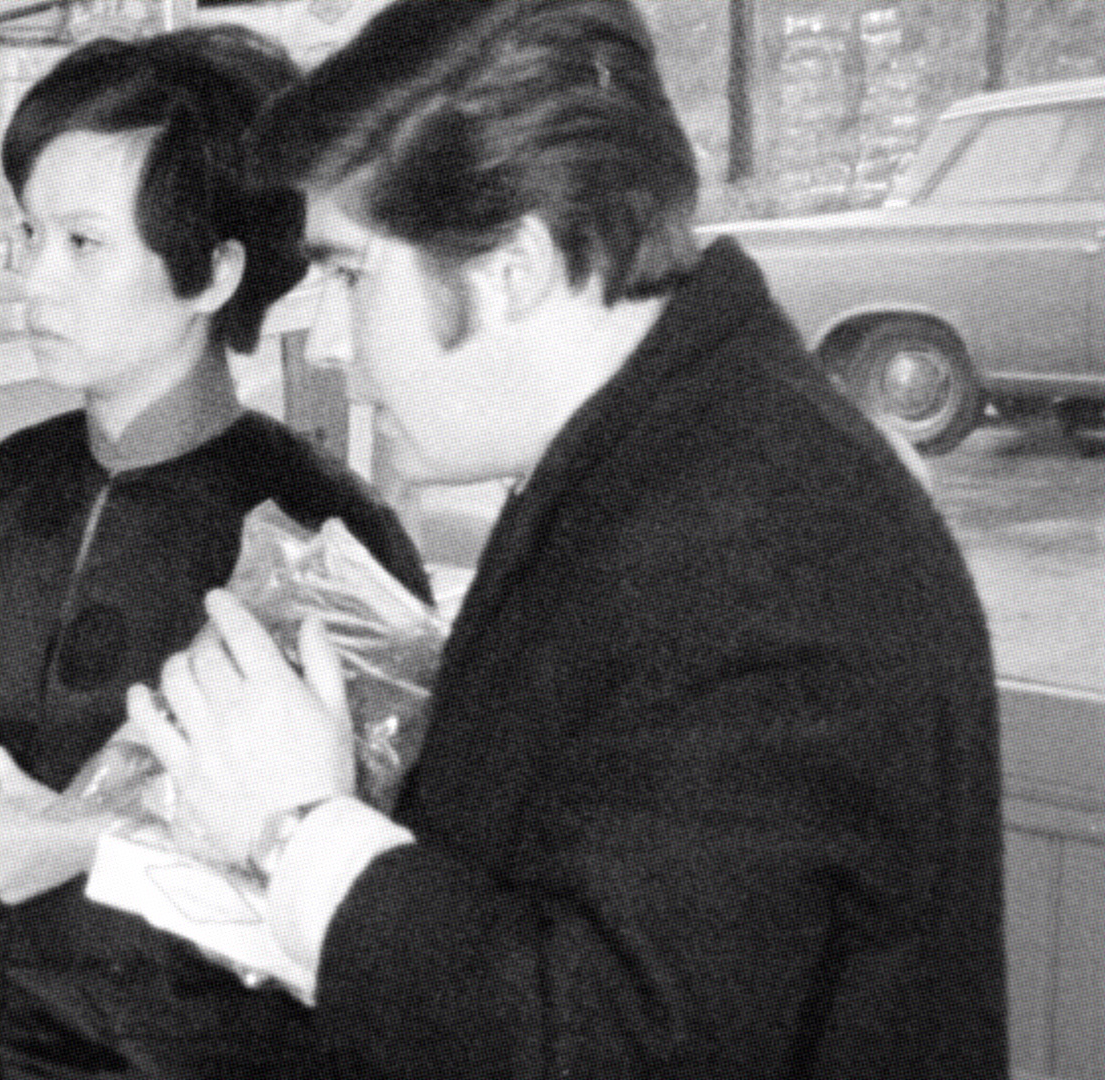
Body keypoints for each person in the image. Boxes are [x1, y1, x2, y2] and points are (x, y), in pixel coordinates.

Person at [121, 1, 1009, 1076]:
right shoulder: (656, 462)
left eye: (351, 275)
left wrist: (295, 827)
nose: (331, 342)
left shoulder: (760, 552)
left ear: (514, 265)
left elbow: (611, 1044)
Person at [0, 25, 431, 1080]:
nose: (35, 281)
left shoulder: (322, 541)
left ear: (214, 271)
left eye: (82, 244)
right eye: (29, 233)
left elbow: (361, 911)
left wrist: (83, 848)